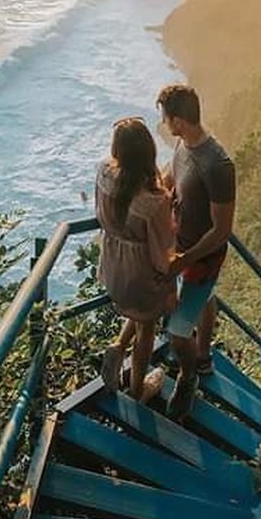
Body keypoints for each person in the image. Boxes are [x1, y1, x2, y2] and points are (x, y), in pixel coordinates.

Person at [156, 82, 236, 422]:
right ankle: (202, 356)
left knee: (176, 333)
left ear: (177, 120)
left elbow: (221, 230)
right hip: (181, 247)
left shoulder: (217, 164)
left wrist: (182, 261)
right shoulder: (183, 144)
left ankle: (189, 377)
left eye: (165, 118)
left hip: (201, 257)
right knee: (203, 300)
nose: (163, 124)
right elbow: (170, 178)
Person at [95, 117, 174, 402]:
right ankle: (138, 390)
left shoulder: (103, 174)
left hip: (114, 265)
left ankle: (116, 348)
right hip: (140, 273)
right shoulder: (154, 201)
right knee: (148, 328)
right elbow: (163, 249)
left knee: (139, 314)